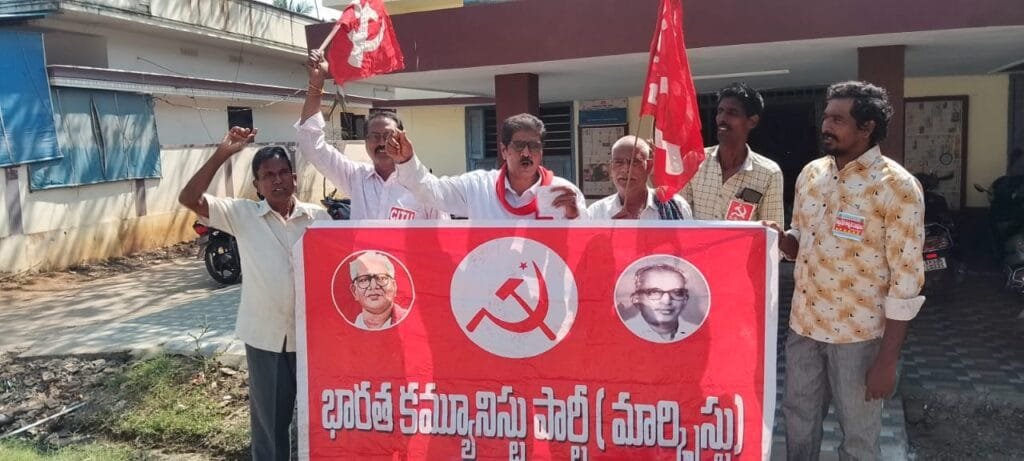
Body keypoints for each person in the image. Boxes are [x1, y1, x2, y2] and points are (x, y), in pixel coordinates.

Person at [764, 81, 925, 460]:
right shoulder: (811, 174)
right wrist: (781, 239)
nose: (826, 126)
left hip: (859, 339)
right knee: (798, 421)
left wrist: (887, 361)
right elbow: (801, 238)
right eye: (826, 117)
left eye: (838, 119)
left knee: (858, 437)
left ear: (867, 127)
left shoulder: (897, 187)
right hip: (804, 329)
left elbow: (906, 282)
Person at [178, 127, 329, 461]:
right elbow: (189, 198)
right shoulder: (242, 215)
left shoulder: (319, 219)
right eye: (268, 176)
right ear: (257, 185)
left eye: (283, 172)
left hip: (312, 340)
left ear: (294, 178)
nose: (277, 180)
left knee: (318, 422)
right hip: (266, 339)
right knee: (270, 427)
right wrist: (222, 153)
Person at [296, 50, 446, 220]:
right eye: (374, 136)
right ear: (366, 141)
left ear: (401, 138)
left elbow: (445, 230)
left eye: (388, 135)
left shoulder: (423, 185)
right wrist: (316, 83)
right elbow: (311, 145)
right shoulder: (356, 178)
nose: (381, 142)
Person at [387, 113, 586, 219]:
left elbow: (584, 245)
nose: (526, 153)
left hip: (543, 283)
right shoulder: (478, 187)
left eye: (533, 146)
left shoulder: (562, 192)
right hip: (491, 283)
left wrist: (574, 217)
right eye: (519, 146)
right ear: (504, 150)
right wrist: (407, 161)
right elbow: (431, 192)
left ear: (541, 152)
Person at [682, 82, 784, 223]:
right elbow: (680, 217)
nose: (722, 118)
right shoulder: (695, 161)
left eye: (732, 113)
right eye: (720, 111)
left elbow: (771, 230)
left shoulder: (769, 173)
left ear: (752, 121)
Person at [587, 135, 692, 220]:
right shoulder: (596, 213)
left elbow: (689, 240)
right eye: (619, 162)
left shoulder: (676, 206)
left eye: (634, 162)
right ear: (611, 169)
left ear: (649, 166)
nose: (626, 169)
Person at [622, 264, 701, 342]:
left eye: (677, 293)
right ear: (636, 299)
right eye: (654, 292)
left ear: (685, 299)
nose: (666, 301)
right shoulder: (622, 334)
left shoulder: (697, 333)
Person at [348, 251, 408, 330]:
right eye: (364, 280)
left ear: (394, 287)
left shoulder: (413, 321)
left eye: (381, 278)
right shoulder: (341, 327)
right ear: (354, 291)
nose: (373, 286)